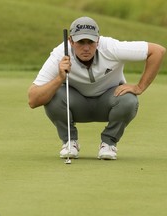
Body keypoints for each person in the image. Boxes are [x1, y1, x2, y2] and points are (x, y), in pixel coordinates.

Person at [28, 16, 166, 160]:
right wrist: (59, 78)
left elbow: (157, 51)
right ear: (71, 41)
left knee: (129, 100)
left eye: (91, 42)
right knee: (53, 94)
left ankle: (108, 143)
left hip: (109, 102)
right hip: (76, 104)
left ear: (98, 40)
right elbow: (33, 99)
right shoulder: (60, 54)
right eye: (81, 42)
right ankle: (70, 142)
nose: (86, 47)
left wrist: (139, 87)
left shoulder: (111, 47)